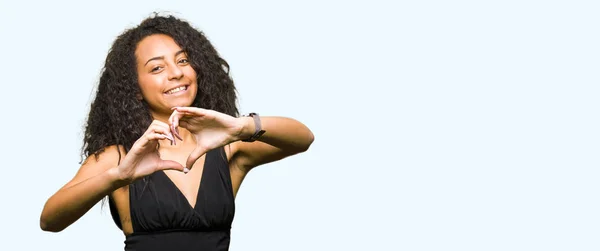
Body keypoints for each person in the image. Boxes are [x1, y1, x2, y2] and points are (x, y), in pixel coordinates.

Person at [39, 13, 314, 251]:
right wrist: (117, 176)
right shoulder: (121, 157)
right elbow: (49, 220)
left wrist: (239, 125)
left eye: (183, 61)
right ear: (135, 89)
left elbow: (303, 138)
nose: (176, 73)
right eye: (157, 68)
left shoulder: (227, 146)